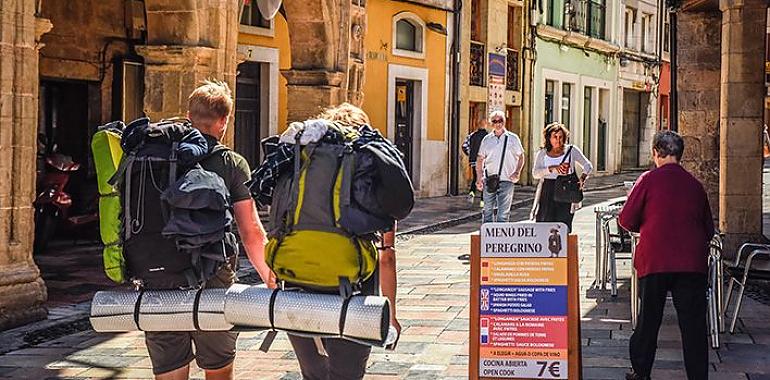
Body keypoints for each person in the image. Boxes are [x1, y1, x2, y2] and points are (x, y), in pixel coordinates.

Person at [144, 80, 274, 380]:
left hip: (159, 276)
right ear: (224, 121)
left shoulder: (155, 157)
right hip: (213, 278)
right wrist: (269, 276)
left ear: (189, 116)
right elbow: (251, 230)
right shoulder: (231, 162)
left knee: (168, 370)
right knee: (217, 369)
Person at [285, 103, 401, 380]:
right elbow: (387, 256)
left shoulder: (302, 165)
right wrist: (391, 313)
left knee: (312, 375)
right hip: (355, 296)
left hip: (297, 291)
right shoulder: (370, 173)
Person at [619, 130, 713, 380]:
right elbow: (709, 229)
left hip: (655, 259)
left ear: (656, 153)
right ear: (680, 155)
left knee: (649, 318)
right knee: (693, 325)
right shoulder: (695, 184)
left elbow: (626, 220)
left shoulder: (648, 180)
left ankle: (641, 371)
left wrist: (648, 225)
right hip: (691, 263)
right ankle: (698, 375)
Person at [530, 122, 593, 232]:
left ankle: (564, 248)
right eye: (555, 137)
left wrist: (582, 178)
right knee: (545, 223)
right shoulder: (542, 153)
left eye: (560, 137)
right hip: (547, 190)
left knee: (563, 224)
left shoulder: (571, 150)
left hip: (565, 189)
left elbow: (588, 165)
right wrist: (552, 168)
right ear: (548, 138)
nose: (558, 140)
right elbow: (535, 173)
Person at [475, 110, 525, 223]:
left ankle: (501, 239)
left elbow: (521, 157)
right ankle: (488, 238)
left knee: (503, 213)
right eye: (495, 121)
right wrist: (479, 177)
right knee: (487, 211)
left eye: (500, 121)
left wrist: (517, 172)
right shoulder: (487, 140)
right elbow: (480, 159)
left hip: (507, 179)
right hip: (489, 180)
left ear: (504, 121)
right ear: (491, 123)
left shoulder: (513, 138)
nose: (498, 123)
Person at [462, 119, 489, 201]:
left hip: (474, 161)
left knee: (475, 177)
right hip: (485, 161)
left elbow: (464, 146)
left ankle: (472, 193)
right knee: (484, 179)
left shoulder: (472, 135)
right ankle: (482, 200)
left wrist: (470, 154)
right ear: (486, 125)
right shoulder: (489, 136)